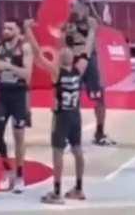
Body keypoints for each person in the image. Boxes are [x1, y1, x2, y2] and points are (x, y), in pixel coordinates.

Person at [24, 19, 90, 205]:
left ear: (61, 57)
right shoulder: (79, 70)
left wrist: (28, 30)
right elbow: (87, 50)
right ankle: (79, 188)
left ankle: (57, 192)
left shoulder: (56, 71)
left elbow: (37, 53)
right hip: (76, 115)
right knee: (77, 151)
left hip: (61, 117)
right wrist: (91, 31)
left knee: (57, 153)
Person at [0, 19, 33, 193]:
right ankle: (6, 170)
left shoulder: (24, 47)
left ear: (18, 31)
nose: (5, 30)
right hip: (2, 93)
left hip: (19, 94)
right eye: (4, 27)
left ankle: (19, 175)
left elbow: (27, 74)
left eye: (10, 28)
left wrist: (9, 66)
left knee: (19, 136)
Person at [63, 0, 115, 146]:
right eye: (70, 6)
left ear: (84, 7)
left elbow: (92, 39)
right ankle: (69, 134)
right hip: (73, 61)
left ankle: (100, 132)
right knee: (71, 98)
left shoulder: (91, 21)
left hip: (89, 61)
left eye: (74, 5)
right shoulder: (68, 24)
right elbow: (63, 45)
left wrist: (84, 57)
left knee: (99, 97)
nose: (72, 8)